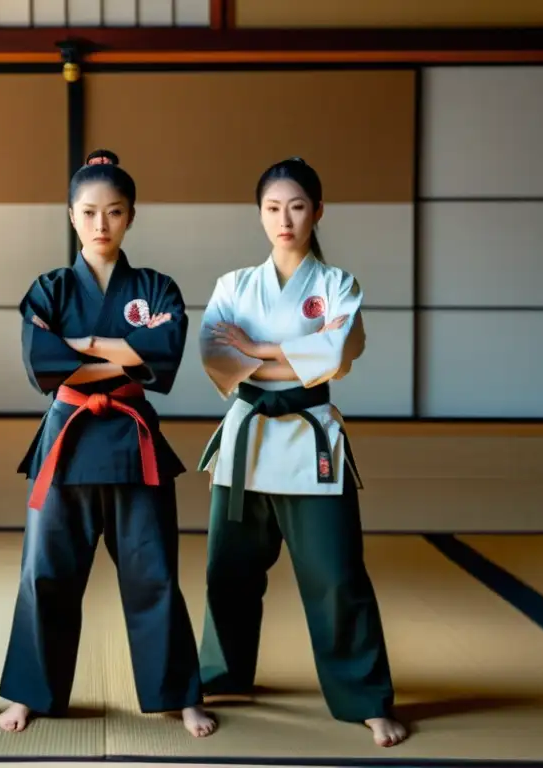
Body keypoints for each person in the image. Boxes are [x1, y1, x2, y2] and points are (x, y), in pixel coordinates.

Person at [0, 150, 215, 738]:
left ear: (131, 217)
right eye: (89, 212)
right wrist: (121, 349)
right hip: (66, 443)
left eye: (113, 212)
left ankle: (179, 693)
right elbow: (43, 362)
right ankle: (29, 693)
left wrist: (83, 344)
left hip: (132, 444)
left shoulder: (156, 287)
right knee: (46, 573)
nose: (100, 224)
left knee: (155, 573)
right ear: (71, 215)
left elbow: (163, 352)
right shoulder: (50, 288)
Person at [196, 157, 407, 748]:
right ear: (259, 213)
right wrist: (294, 352)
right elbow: (217, 356)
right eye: (272, 207)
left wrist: (258, 348)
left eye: (295, 206)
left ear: (317, 210)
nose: (284, 219)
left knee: (337, 576)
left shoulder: (338, 285)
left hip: (311, 439)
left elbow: (337, 354)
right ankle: (222, 673)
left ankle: (364, 697)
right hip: (246, 440)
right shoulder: (233, 285)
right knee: (227, 572)